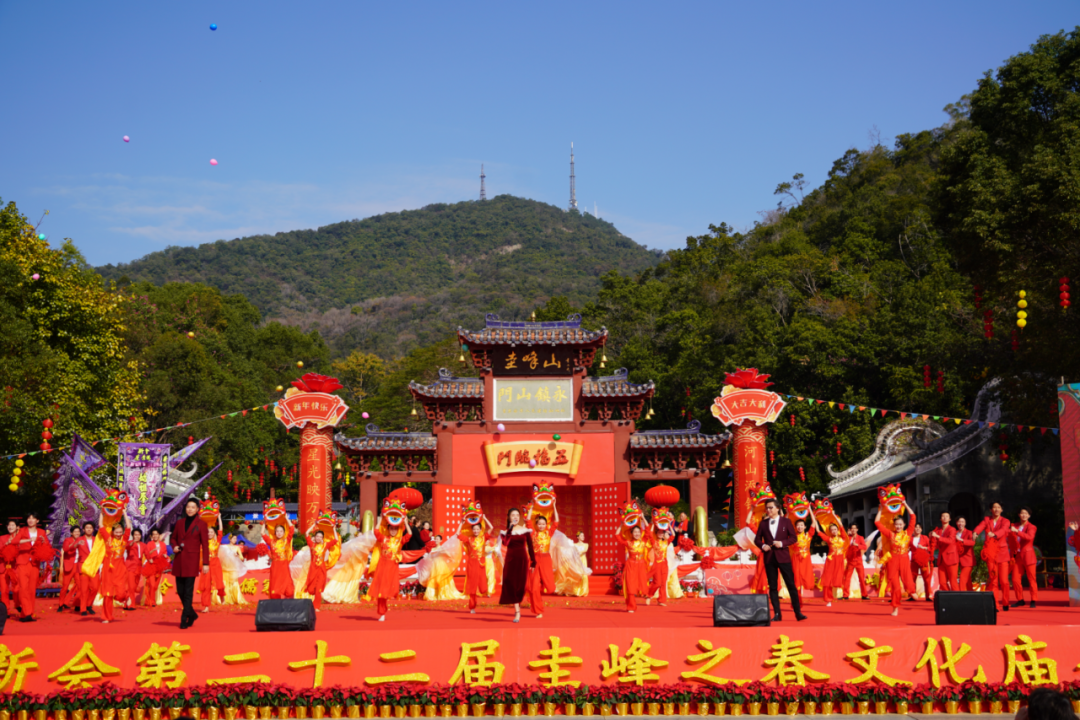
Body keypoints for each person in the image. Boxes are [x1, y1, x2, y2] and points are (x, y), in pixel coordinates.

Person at [753, 498, 806, 621]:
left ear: (778, 508)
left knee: (791, 584)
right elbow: (757, 540)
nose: (768, 510)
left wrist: (782, 543)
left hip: (783, 557)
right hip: (769, 558)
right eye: (767, 508)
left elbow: (793, 538)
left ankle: (798, 612)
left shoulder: (786, 521)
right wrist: (763, 546)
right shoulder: (763, 523)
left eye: (771, 507)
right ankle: (777, 614)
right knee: (773, 587)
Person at [368, 503, 412, 622]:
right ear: (388, 529)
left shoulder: (399, 540)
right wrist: (381, 518)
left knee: (387, 591)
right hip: (382, 566)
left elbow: (410, 534)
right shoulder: (384, 538)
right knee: (381, 592)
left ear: (398, 530)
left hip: (392, 568)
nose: (393, 531)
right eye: (391, 529)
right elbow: (376, 531)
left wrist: (406, 523)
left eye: (395, 529)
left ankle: (383, 611)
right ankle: (382, 612)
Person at [171, 498, 210, 629]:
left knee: (188, 591)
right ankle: (192, 613)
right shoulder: (179, 522)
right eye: (188, 507)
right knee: (180, 590)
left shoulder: (202, 524)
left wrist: (205, 563)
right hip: (179, 559)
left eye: (193, 507)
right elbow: (173, 538)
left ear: (197, 509)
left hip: (192, 561)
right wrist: (174, 547)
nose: (190, 509)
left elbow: (205, 545)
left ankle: (184, 618)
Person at [875, 502, 917, 616]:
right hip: (892, 560)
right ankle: (895, 608)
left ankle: (911, 590)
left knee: (907, 580)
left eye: (900, 524)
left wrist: (905, 503)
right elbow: (877, 522)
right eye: (896, 524)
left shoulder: (908, 533)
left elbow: (913, 517)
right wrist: (881, 509)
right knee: (895, 586)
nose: (898, 526)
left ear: (904, 525)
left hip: (904, 560)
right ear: (894, 525)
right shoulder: (890, 534)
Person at [499, 507, 536, 623]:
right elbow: (505, 543)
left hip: (522, 560)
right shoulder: (506, 532)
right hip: (510, 560)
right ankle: (517, 612)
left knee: (520, 586)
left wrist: (533, 561)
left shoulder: (525, 530)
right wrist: (510, 529)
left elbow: (530, 545)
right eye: (512, 515)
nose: (515, 517)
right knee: (511, 584)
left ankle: (517, 606)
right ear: (509, 517)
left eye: (517, 515)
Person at [973, 503, 1012, 611]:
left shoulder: (1005, 521)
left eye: (999, 507)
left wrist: (994, 534)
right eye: (994, 507)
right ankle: (995, 605)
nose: (996, 509)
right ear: (991, 509)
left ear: (1001, 509)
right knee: (993, 580)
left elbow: (1003, 530)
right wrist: (975, 532)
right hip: (990, 554)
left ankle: (1005, 602)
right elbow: (980, 526)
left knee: (1004, 581)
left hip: (1002, 554)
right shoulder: (987, 519)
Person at [15, 513, 51, 621]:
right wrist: (29, 540)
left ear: (37, 520)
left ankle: (27, 614)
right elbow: (15, 541)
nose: (30, 520)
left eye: (33, 518)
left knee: (31, 589)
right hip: (22, 562)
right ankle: (27, 612)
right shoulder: (22, 530)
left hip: (35, 563)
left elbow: (47, 547)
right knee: (23, 588)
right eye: (29, 518)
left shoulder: (42, 532)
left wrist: (43, 542)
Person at [100, 513, 132, 624]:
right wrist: (102, 513)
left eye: (120, 532)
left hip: (120, 570)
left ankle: (125, 597)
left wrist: (124, 513)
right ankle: (106, 617)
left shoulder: (124, 540)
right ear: (112, 532)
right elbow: (101, 526)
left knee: (120, 592)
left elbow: (128, 527)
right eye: (116, 532)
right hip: (108, 571)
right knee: (108, 595)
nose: (118, 534)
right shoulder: (108, 539)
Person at [458, 515, 494, 613]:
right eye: (474, 529)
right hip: (472, 563)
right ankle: (472, 606)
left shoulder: (483, 537)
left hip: (481, 563)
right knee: (472, 586)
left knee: (483, 587)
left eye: (478, 529)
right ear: (472, 530)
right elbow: (458, 534)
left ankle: (484, 592)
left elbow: (491, 528)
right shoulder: (469, 539)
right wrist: (461, 523)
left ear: (480, 529)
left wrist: (485, 518)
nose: (476, 531)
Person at [304, 527, 339, 611]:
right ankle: (313, 603)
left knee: (318, 589)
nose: (318, 538)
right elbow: (306, 533)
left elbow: (336, 540)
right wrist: (314, 525)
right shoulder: (311, 545)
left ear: (322, 538)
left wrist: (333, 529)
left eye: (320, 537)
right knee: (311, 589)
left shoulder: (325, 545)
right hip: (313, 570)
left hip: (321, 570)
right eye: (317, 536)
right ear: (315, 537)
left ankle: (316, 606)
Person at [618, 525, 651, 613]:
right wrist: (620, 525)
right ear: (632, 534)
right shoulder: (628, 543)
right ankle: (631, 607)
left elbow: (647, 530)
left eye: (638, 532)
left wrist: (643, 518)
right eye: (635, 532)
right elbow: (617, 536)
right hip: (630, 566)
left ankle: (647, 595)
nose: (637, 534)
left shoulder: (643, 541)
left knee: (643, 584)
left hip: (641, 565)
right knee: (630, 586)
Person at [1009, 507, 1038, 608]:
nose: (1024, 515)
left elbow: (1029, 537)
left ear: (1029, 515)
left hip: (1028, 555)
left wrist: (1017, 532)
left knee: (1031, 578)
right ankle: (1020, 599)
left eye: (1026, 513)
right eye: (1022, 513)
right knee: (1015, 579)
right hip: (1017, 556)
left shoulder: (1032, 527)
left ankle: (1033, 599)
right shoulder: (1014, 525)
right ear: (1019, 515)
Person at [263, 521, 296, 600]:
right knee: (275, 587)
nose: (279, 533)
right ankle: (276, 604)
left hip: (284, 567)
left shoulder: (286, 541)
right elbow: (262, 533)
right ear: (275, 533)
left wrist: (286, 518)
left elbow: (292, 529)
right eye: (277, 531)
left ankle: (288, 603)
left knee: (288, 589)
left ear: (284, 533)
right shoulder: (271, 542)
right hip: (275, 567)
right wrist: (264, 522)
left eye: (281, 531)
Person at [199, 515, 225, 611]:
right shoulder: (202, 542)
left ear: (214, 533)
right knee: (206, 585)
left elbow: (220, 530)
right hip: (206, 564)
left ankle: (221, 596)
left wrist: (219, 517)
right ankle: (206, 606)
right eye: (207, 532)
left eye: (211, 532)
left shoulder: (217, 541)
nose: (209, 533)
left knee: (219, 582)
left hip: (215, 563)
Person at [820, 522, 848, 607]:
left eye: (835, 529)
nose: (834, 531)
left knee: (839, 579)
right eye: (832, 530)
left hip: (839, 561)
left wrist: (834, 515)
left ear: (838, 530)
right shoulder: (829, 539)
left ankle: (843, 594)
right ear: (830, 532)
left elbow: (841, 525)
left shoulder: (843, 538)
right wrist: (814, 518)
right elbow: (818, 531)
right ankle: (828, 599)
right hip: (830, 561)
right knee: (827, 580)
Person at [76, 521, 100, 616]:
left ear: (93, 529)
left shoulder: (97, 540)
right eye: (87, 528)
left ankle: (89, 605)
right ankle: (83, 609)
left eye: (90, 528)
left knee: (95, 588)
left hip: (94, 567)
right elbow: (70, 548)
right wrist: (76, 544)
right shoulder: (79, 539)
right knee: (84, 589)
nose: (89, 529)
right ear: (83, 529)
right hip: (83, 566)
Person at [930, 512, 958, 592]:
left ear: (950, 519)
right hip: (941, 559)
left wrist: (937, 536)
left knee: (953, 582)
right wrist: (931, 539)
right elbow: (935, 544)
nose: (945, 517)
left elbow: (950, 540)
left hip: (951, 558)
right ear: (940, 518)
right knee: (942, 582)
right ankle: (948, 597)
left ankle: (957, 598)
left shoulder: (952, 529)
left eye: (947, 516)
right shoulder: (938, 530)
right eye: (943, 516)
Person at [842, 524, 870, 600]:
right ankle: (845, 595)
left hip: (858, 561)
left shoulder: (860, 538)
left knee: (861, 578)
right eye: (852, 528)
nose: (853, 530)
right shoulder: (848, 538)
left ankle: (864, 595)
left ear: (857, 529)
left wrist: (857, 545)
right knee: (847, 578)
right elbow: (843, 545)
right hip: (850, 561)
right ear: (850, 530)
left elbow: (864, 547)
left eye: (855, 528)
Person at [143, 528, 169, 606]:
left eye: (156, 534)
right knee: (152, 584)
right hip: (151, 565)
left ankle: (148, 600)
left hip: (159, 566)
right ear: (151, 536)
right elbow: (147, 554)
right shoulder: (149, 544)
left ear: (159, 535)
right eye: (153, 534)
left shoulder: (163, 544)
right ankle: (152, 602)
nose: (155, 536)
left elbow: (165, 553)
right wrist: (150, 557)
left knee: (156, 585)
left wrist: (165, 556)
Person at [58, 526, 82, 611]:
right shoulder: (67, 540)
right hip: (69, 566)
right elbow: (66, 549)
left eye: (78, 531)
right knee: (65, 587)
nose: (77, 533)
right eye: (75, 531)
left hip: (78, 566)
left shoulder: (82, 540)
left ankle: (77, 604)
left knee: (80, 586)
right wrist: (75, 544)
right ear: (71, 533)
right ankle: (61, 604)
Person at [647, 528, 672, 606]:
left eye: (662, 533)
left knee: (663, 583)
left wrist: (669, 526)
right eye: (659, 532)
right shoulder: (654, 542)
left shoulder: (666, 542)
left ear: (664, 534)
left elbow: (673, 536)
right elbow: (650, 534)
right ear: (656, 533)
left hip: (664, 564)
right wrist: (653, 525)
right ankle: (649, 595)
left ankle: (661, 600)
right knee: (657, 583)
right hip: (657, 564)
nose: (660, 534)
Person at [791, 519, 816, 599]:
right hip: (796, 558)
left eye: (801, 525)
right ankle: (797, 598)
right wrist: (787, 514)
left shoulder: (808, 535)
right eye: (798, 525)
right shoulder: (793, 536)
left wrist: (810, 511)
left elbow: (814, 523)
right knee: (796, 577)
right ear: (795, 527)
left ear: (805, 527)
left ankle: (799, 596)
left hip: (805, 559)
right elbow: (783, 526)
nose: (800, 527)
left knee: (806, 576)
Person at [910, 523, 933, 601]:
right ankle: (913, 595)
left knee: (926, 578)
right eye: (916, 527)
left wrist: (924, 547)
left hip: (923, 561)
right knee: (913, 578)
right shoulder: (910, 538)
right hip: (914, 560)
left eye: (919, 527)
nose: (917, 528)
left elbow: (930, 548)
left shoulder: (925, 537)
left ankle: (928, 596)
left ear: (921, 529)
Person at [1, 520, 20, 617]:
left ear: (17, 527)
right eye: (9, 525)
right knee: (4, 590)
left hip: (15, 567)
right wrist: (6, 545)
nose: (10, 527)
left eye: (13, 525)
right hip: (3, 567)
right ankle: (6, 611)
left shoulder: (21, 538)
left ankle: (17, 604)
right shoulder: (2, 538)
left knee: (17, 589)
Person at [124, 528, 145, 609]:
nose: (137, 536)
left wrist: (150, 560)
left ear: (141, 536)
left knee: (135, 585)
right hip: (130, 567)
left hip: (139, 568)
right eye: (135, 535)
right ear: (133, 536)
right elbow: (127, 547)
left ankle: (127, 603)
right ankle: (131, 604)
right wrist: (132, 542)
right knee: (131, 586)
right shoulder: (129, 542)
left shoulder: (143, 545)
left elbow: (147, 554)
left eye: (138, 535)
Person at [956, 517, 976, 591]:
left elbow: (972, 542)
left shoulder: (969, 532)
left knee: (962, 578)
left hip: (968, 560)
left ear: (965, 523)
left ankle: (961, 595)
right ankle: (971, 594)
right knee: (967, 579)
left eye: (962, 522)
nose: (960, 523)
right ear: (956, 523)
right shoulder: (955, 533)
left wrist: (961, 540)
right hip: (959, 559)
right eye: (959, 522)